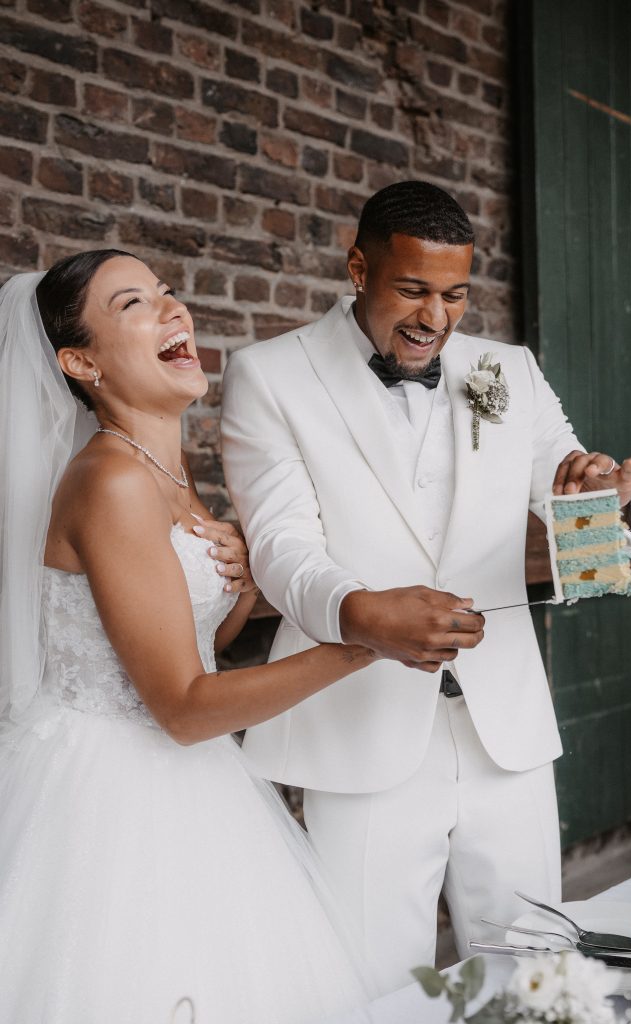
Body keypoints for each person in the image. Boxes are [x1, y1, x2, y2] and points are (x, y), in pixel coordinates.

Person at [219, 180, 631, 994]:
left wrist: (596, 501)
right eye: (411, 289)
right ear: (358, 266)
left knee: (535, 971)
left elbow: (586, 545)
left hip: (505, 731)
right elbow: (280, 544)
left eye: (454, 295)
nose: (434, 318)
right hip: (362, 731)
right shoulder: (270, 374)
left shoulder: (506, 373)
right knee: (374, 982)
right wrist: (358, 614)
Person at [0, 250, 379, 1024]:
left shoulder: (168, 476)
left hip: (198, 781)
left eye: (169, 293)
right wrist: (363, 643)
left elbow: (198, 640)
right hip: (109, 796)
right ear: (80, 361)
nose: (175, 310)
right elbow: (181, 704)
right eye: (134, 303)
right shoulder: (110, 480)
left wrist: (236, 585)